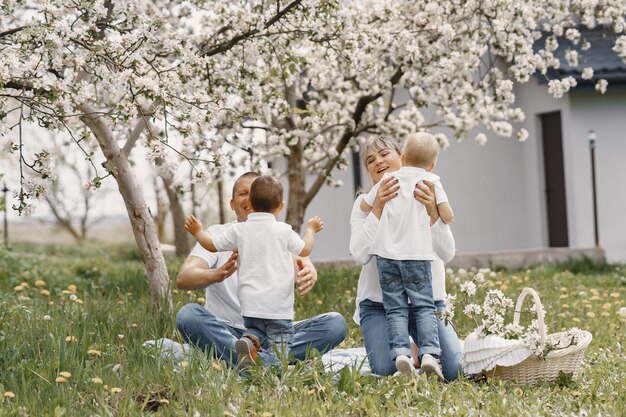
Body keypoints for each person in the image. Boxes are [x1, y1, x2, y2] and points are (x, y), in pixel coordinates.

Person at [176, 172, 346, 368]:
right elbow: (184, 278)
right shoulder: (220, 233)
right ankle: (271, 364)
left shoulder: (279, 234)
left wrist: (310, 269)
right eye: (243, 193)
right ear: (232, 203)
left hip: (272, 330)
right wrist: (216, 274)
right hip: (225, 331)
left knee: (335, 324)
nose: (249, 198)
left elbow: (301, 257)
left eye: (254, 193)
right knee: (188, 316)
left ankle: (247, 361)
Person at [350, 136, 462, 380]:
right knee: (385, 370)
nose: (377, 161)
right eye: (370, 160)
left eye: (384, 154)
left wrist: (434, 214)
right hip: (380, 304)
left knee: (453, 368)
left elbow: (447, 253)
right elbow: (359, 255)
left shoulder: (426, 191)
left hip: (426, 302)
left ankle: (419, 348)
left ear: (402, 157)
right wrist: (378, 208)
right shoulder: (364, 205)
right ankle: (410, 349)